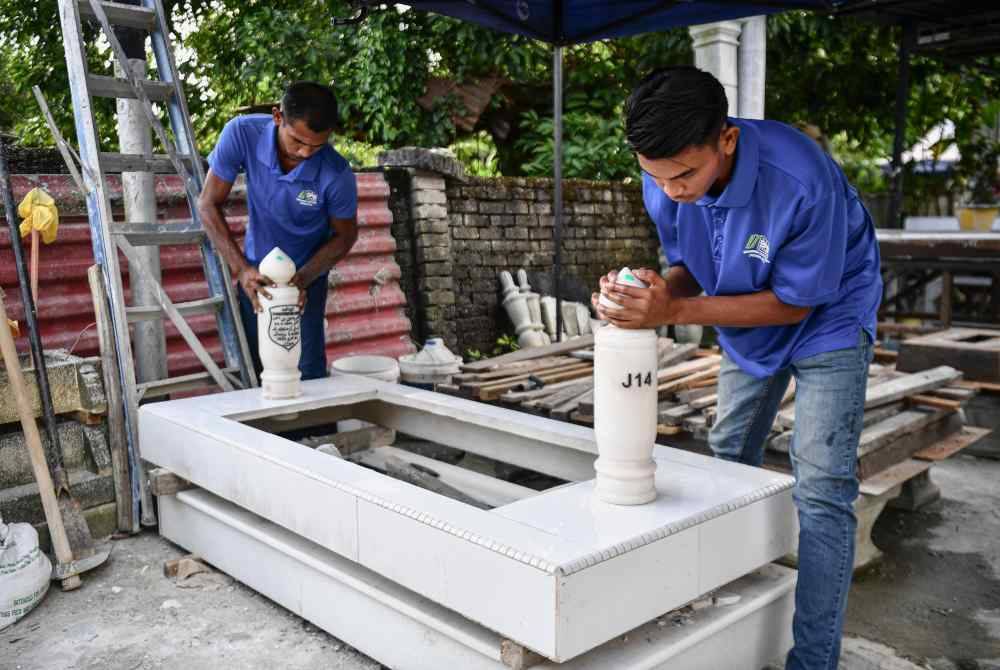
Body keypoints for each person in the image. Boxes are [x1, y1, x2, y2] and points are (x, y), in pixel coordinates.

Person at [592, 66, 881, 670]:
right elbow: (689, 265)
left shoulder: (801, 178)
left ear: (726, 139)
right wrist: (655, 287)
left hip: (829, 312)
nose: (671, 191)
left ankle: (812, 660)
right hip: (746, 307)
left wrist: (676, 309)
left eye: (684, 175)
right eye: (656, 176)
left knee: (824, 488)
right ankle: (730, 617)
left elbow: (797, 299)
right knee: (727, 457)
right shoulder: (666, 177)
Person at [198, 81, 358, 381]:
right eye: (297, 140)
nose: (306, 152)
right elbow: (207, 204)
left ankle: (314, 430)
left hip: (305, 282)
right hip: (255, 276)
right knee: (257, 371)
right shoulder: (242, 134)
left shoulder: (336, 173)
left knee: (306, 372)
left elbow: (346, 236)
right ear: (277, 117)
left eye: (317, 145)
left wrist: (305, 279)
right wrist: (242, 270)